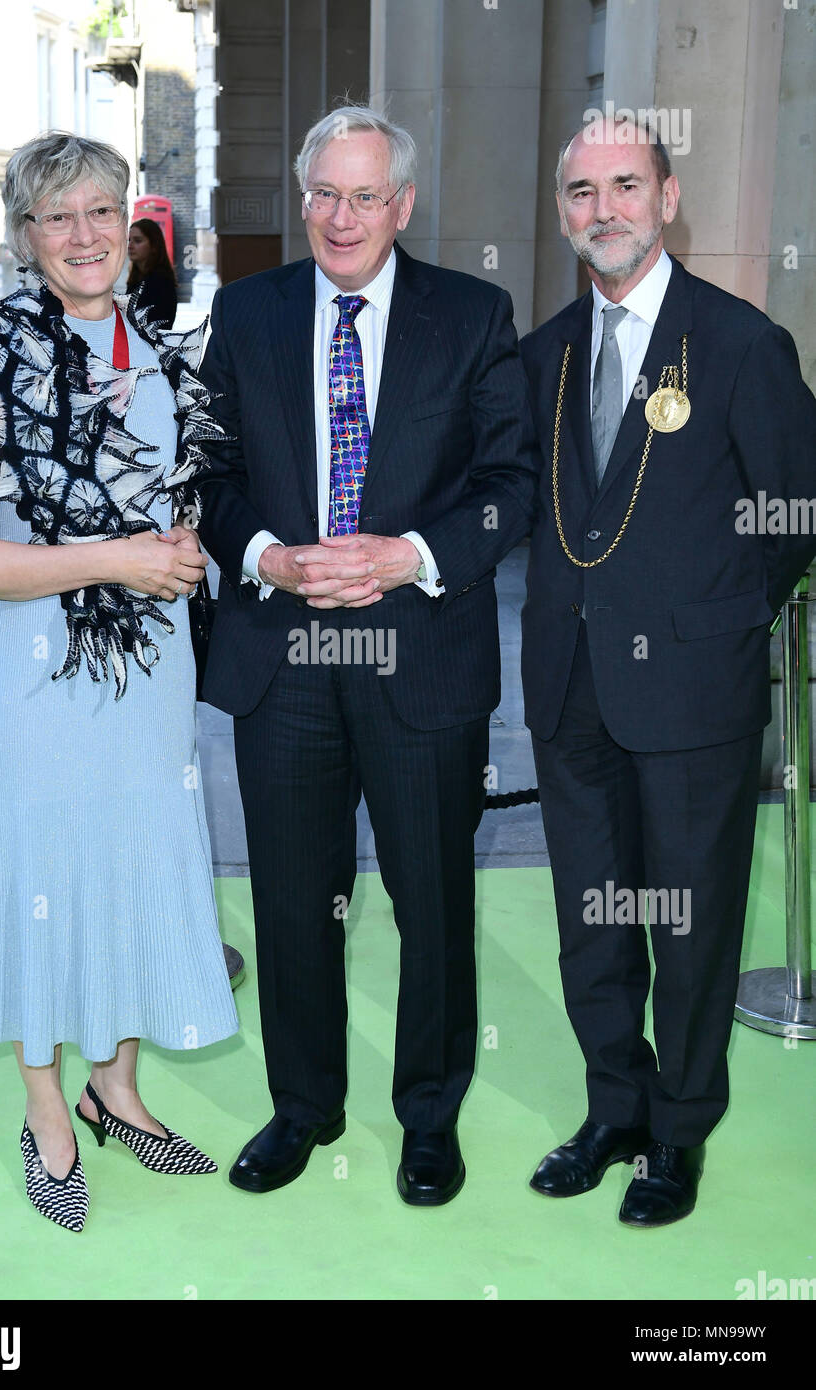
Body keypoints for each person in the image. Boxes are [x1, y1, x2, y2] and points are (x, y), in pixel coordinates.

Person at [195, 104, 539, 1205]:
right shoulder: (243, 315)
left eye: (363, 195)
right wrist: (264, 554)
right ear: (304, 201)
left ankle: (427, 1117)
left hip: (419, 657)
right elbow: (209, 474)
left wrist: (408, 556)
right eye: (323, 194)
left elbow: (511, 483)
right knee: (294, 900)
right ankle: (302, 1106)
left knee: (430, 899)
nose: (341, 217)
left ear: (400, 205)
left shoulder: (473, 314)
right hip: (279, 658)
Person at [0, 130, 239, 1232]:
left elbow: (171, 500)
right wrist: (115, 558)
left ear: (132, 226)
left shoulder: (161, 354)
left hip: (150, 677)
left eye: (101, 210)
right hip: (42, 677)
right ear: (25, 239)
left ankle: (117, 1084)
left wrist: (180, 548)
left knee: (132, 863)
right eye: (56, 217)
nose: (83, 234)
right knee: (44, 870)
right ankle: (47, 1109)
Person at [519, 115, 816, 1226]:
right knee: (594, 919)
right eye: (582, 191)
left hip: (692, 694)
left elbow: (793, 508)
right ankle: (615, 1108)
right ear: (562, 212)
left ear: (667, 196)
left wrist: (719, 615)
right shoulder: (541, 355)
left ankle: (679, 1131)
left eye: (624, 186)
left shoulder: (736, 343)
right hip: (567, 687)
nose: (603, 209)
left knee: (688, 924)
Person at [127, 217, 179, 330]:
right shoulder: (136, 280)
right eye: (129, 240)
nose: (130, 246)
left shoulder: (161, 283)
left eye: (138, 241)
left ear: (154, 246)